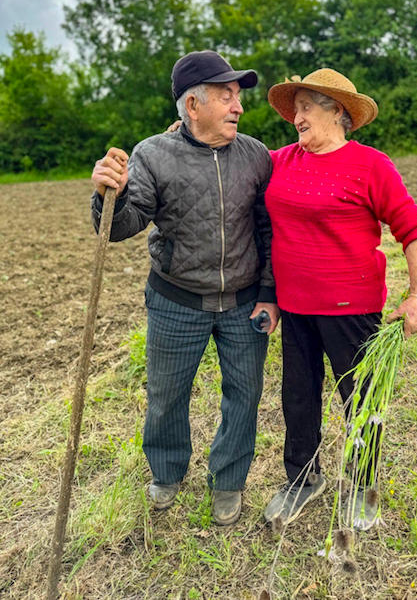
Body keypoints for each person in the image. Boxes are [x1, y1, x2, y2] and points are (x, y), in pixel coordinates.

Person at [91, 50, 279, 526]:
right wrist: (104, 195)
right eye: (225, 96)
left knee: (244, 393)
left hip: (242, 302)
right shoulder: (153, 154)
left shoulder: (255, 155)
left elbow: (267, 230)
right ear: (192, 106)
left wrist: (268, 292)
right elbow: (121, 226)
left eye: (238, 97)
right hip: (176, 299)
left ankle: (229, 480)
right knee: (167, 395)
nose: (238, 107)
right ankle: (168, 472)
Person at [262, 68, 417, 529]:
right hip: (294, 308)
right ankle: (303, 479)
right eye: (293, 107)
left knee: (361, 400)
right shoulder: (280, 161)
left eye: (305, 106)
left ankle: (362, 484)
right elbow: (235, 158)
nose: (296, 116)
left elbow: (414, 230)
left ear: (337, 111)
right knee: (298, 399)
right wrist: (185, 139)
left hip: (352, 310)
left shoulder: (371, 166)